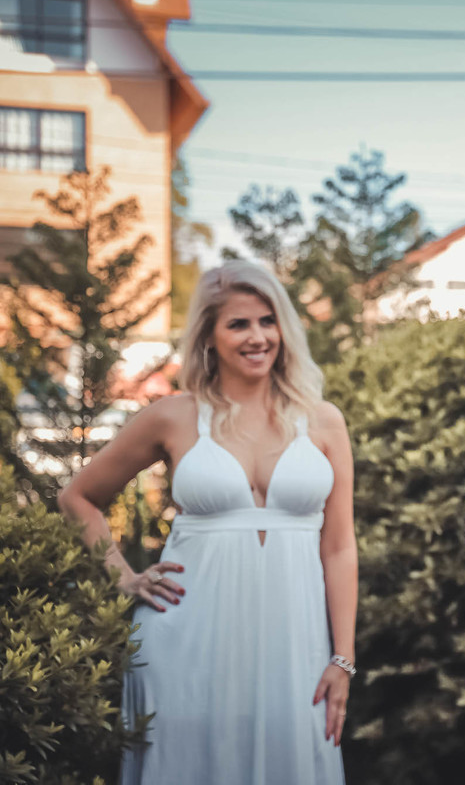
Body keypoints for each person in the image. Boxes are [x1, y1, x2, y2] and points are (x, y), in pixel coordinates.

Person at [59, 260, 357, 785]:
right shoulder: (173, 415)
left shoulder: (324, 420)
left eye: (268, 320)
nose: (258, 336)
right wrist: (123, 575)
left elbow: (339, 548)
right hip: (186, 640)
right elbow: (79, 496)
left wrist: (343, 659)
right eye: (238, 324)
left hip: (296, 645)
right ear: (209, 336)